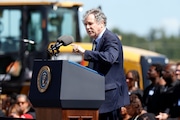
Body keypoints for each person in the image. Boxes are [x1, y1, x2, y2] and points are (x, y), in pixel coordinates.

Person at [71, 8, 129, 120]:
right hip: (100, 96)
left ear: (101, 23)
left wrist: (85, 52)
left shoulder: (110, 38)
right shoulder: (97, 41)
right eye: (85, 24)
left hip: (110, 98)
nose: (87, 27)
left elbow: (109, 57)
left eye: (90, 24)